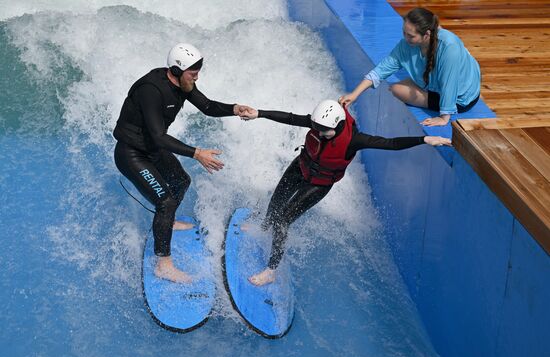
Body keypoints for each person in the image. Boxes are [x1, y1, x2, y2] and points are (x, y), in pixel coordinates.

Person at [239, 100, 451, 286]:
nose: (320, 133)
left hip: (319, 183)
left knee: (284, 220)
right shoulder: (320, 123)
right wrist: (259, 113)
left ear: (339, 125)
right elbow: (291, 118)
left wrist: (423, 140)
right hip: (301, 166)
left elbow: (390, 143)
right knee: (277, 200)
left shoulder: (354, 140)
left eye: (325, 131)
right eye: (317, 128)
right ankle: (265, 227)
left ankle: (271, 271)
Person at [113, 43, 251, 283]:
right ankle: (163, 265)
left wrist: (234, 108)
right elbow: (158, 135)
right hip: (132, 153)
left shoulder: (184, 83)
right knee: (165, 201)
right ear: (176, 71)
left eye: (198, 71)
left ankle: (166, 221)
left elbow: (207, 106)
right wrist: (196, 153)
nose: (197, 76)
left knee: (180, 181)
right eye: (193, 72)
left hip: (153, 149)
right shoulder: (151, 89)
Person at [339, 7, 481, 127]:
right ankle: (428, 87)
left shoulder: (449, 49)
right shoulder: (408, 45)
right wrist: (354, 94)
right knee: (402, 85)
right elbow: (381, 69)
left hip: (461, 98)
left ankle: (432, 95)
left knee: (397, 89)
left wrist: (444, 118)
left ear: (427, 35)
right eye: (404, 33)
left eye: (410, 36)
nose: (405, 39)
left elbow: (449, 85)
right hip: (445, 81)